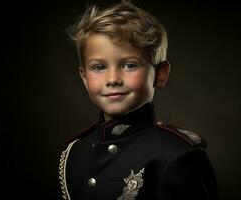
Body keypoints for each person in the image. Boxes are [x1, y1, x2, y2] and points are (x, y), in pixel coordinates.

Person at [59, 0, 218, 199]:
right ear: (84, 77)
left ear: (160, 74)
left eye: (129, 65)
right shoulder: (74, 153)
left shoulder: (178, 155)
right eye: (99, 67)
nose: (113, 79)